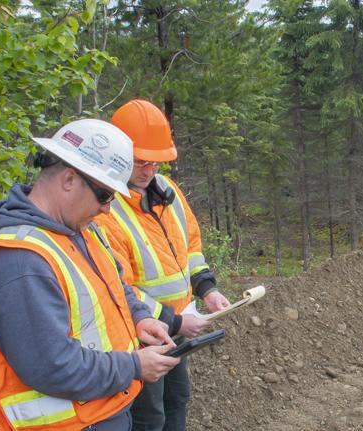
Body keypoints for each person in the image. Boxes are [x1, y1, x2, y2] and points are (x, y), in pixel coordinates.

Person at [0, 119, 182, 430]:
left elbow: (114, 285)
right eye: (105, 195)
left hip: (103, 409)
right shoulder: (18, 260)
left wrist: (140, 318)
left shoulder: (79, 230)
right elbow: (52, 366)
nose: (108, 209)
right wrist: (134, 366)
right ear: (69, 179)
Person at [94, 99, 230, 431]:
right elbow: (119, 286)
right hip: (139, 336)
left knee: (177, 400)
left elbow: (191, 248)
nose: (150, 169)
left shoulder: (168, 191)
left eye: (157, 162)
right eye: (142, 161)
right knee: (148, 415)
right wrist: (174, 320)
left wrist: (207, 289)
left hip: (176, 327)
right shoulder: (105, 210)